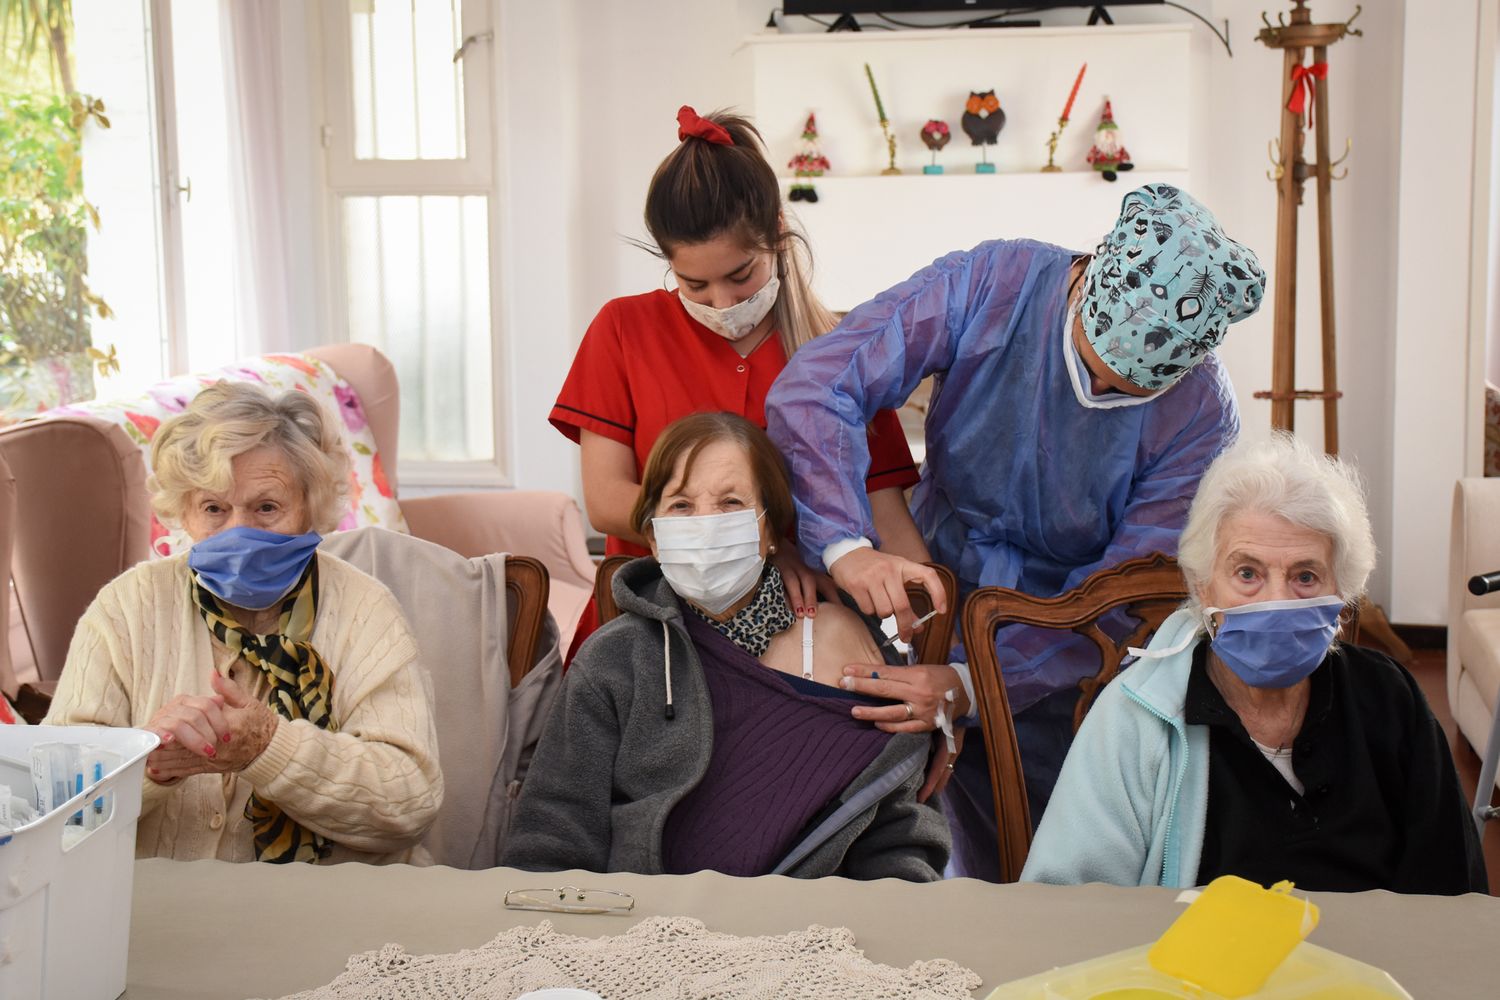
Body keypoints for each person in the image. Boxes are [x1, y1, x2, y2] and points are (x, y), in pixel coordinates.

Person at [766, 183, 1266, 879]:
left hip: (1065, 645)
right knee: (874, 808)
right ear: (1085, 281)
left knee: (1044, 850)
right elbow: (819, 386)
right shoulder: (991, 284)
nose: (1101, 392)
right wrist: (847, 545)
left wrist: (974, 686)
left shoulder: (1201, 417)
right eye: (1092, 366)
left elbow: (1119, 597)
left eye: (1126, 391)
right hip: (925, 578)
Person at [1023, 435, 1487, 893]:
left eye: (1306, 576)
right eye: (1248, 573)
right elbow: (1066, 904)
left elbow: (1452, 892)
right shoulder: (1135, 719)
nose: (1275, 601)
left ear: (1340, 597)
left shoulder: (1390, 699)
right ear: (1204, 587)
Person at [549, 105, 931, 661]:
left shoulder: (840, 349)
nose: (722, 303)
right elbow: (607, 500)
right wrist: (752, 549)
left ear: (777, 233)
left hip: (804, 633)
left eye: (740, 275)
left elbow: (885, 512)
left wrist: (936, 636)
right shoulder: (622, 328)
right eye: (694, 284)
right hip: (653, 628)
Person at [504, 412, 949, 881]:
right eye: (680, 506)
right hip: (647, 929)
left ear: (770, 531)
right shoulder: (614, 659)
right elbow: (553, 832)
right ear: (653, 537)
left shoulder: (846, 643)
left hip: (819, 930)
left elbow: (895, 824)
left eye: (730, 503)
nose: (704, 525)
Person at [46, 382, 443, 864]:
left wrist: (269, 747)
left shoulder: (366, 610)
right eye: (214, 508)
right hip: (163, 915)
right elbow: (55, 804)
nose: (239, 533)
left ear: (311, 509)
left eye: (267, 508)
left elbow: (411, 800)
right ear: (184, 513)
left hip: (333, 913)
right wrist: (143, 764)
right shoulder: (127, 608)